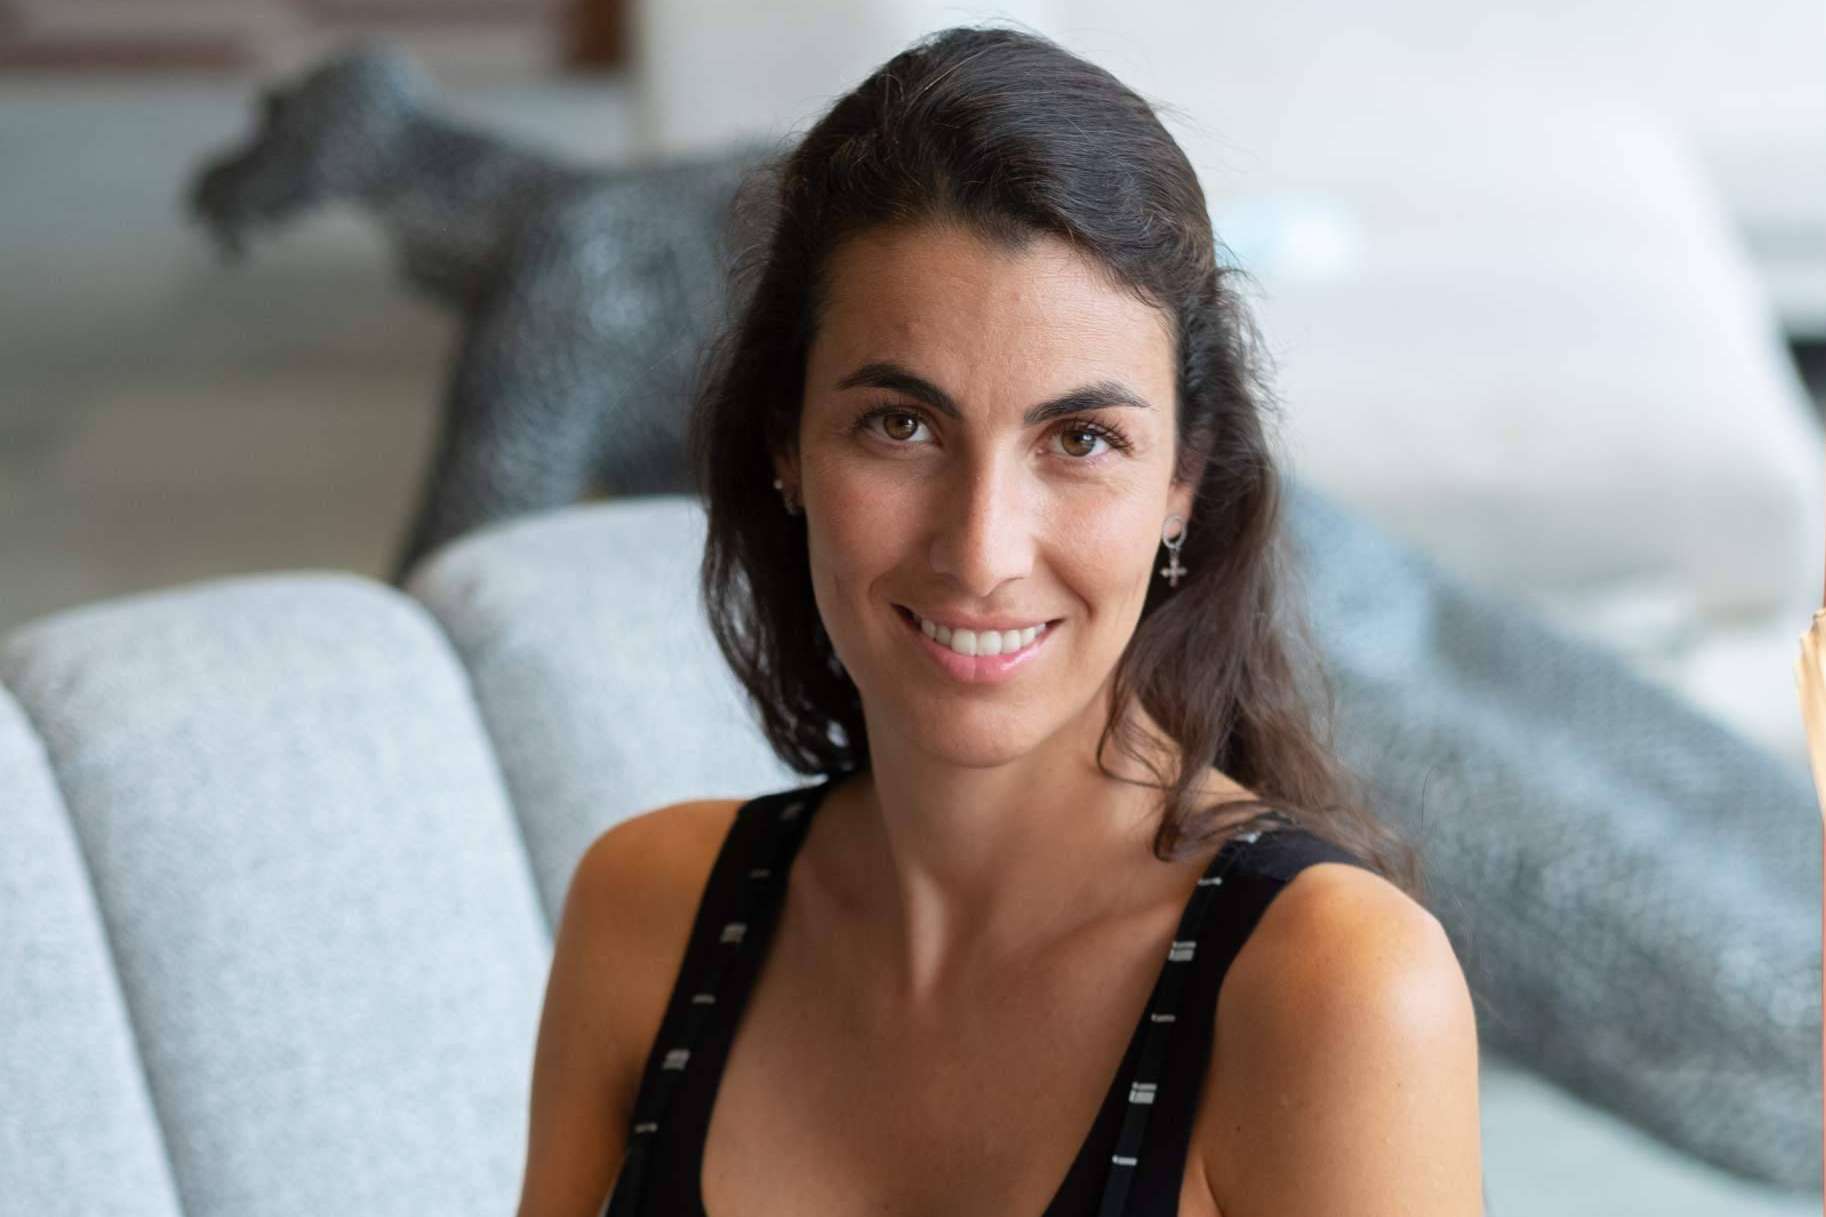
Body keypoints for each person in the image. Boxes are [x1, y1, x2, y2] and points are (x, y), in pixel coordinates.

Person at [516, 24, 1483, 1217]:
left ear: (1180, 480)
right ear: (786, 446)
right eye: (900, 426)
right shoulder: (649, 914)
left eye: (1080, 439)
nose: (981, 550)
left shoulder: (1332, 985)